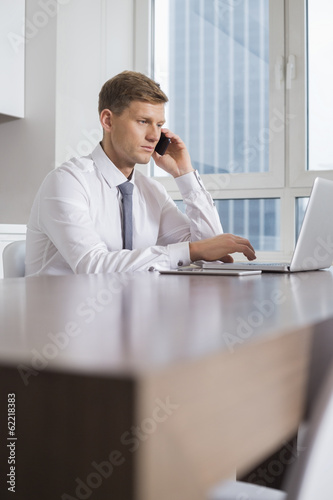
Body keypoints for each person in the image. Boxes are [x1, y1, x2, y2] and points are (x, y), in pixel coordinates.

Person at [25, 71, 256, 276]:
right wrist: (192, 251)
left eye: (158, 124)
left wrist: (185, 175)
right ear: (108, 120)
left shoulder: (151, 190)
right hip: (60, 320)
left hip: (130, 316)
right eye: (143, 121)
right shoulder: (67, 182)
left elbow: (210, 251)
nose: (154, 136)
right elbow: (92, 266)